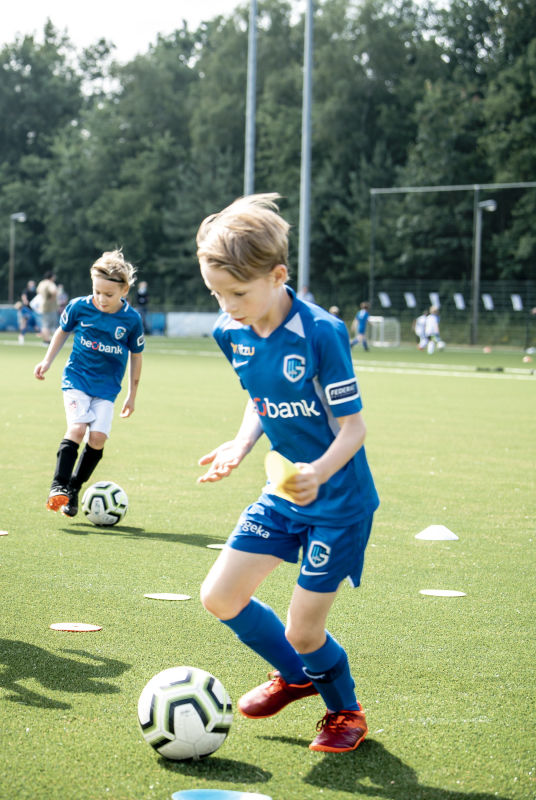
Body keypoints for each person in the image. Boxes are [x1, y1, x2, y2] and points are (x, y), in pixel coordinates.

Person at [194, 193, 378, 754]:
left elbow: (353, 430)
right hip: (283, 495)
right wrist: (241, 443)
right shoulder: (232, 332)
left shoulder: (322, 333)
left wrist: (317, 473)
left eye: (239, 293)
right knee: (220, 596)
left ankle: (344, 710)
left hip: (339, 502)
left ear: (278, 275)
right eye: (216, 294)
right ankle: (295, 676)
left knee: (304, 629)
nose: (228, 306)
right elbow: (261, 397)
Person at [34, 251, 144, 516]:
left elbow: (136, 357)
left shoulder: (131, 320)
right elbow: (62, 332)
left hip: (107, 389)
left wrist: (132, 394)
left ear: (124, 290)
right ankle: (58, 486)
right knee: (78, 428)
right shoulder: (78, 307)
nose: (101, 299)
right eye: (97, 292)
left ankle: (73, 488)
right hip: (77, 379)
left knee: (97, 438)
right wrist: (48, 361)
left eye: (109, 294)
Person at [36, 273, 60, 343]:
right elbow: (54, 291)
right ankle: (50, 340)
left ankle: (45, 340)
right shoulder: (50, 284)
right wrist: (52, 299)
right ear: (51, 277)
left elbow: (38, 291)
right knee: (52, 325)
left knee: (44, 324)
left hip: (43, 306)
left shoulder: (41, 283)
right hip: (51, 307)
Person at [16, 280, 38, 344]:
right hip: (26, 308)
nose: (32, 286)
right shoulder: (25, 291)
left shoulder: (35, 292)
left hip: (32, 310)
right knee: (25, 322)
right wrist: (26, 302)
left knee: (34, 324)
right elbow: (24, 298)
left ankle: (43, 335)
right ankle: (21, 336)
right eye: (31, 285)